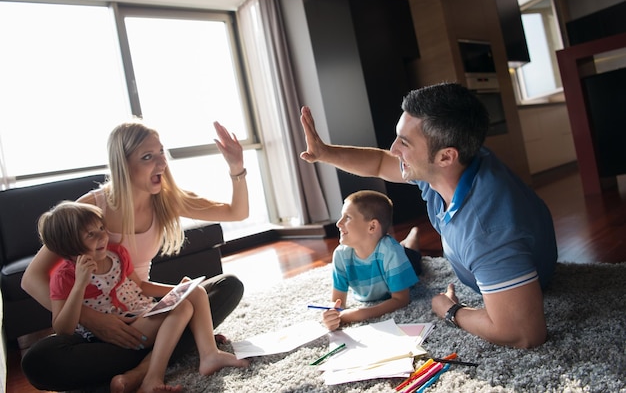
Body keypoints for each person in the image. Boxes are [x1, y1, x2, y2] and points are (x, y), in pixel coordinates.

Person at [299, 82, 557, 349]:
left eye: (405, 143)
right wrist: (326, 153)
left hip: (517, 274)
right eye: (398, 137)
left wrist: (450, 310)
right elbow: (379, 163)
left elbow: (524, 334)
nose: (394, 148)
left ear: (446, 157)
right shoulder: (445, 167)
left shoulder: (488, 230)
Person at [21, 119, 249, 392]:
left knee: (227, 286)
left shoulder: (168, 199)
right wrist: (94, 320)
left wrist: (236, 168)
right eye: (148, 157)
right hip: (101, 325)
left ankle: (140, 370)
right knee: (38, 360)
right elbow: (31, 278)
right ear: (124, 165)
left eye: (161, 152)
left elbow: (236, 213)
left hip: (143, 308)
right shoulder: (92, 208)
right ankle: (181, 343)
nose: (161, 163)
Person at [39, 201, 248, 393]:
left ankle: (208, 354)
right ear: (69, 244)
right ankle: (154, 377)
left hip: (144, 313)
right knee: (184, 308)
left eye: (101, 229)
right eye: (90, 235)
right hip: (122, 332)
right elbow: (62, 328)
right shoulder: (64, 276)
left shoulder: (117, 253)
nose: (101, 237)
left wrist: (177, 290)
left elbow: (140, 286)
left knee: (194, 292)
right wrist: (79, 285)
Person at [321, 190, 419, 331]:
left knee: (412, 253)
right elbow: (337, 302)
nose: (338, 223)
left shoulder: (391, 252)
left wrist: (359, 313)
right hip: (387, 258)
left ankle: (413, 234)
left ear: (372, 226)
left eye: (347, 217)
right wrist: (331, 315)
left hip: (404, 260)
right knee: (402, 248)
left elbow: (401, 299)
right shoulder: (340, 256)